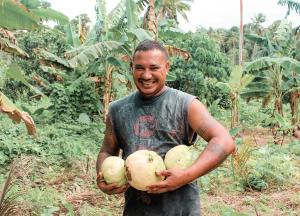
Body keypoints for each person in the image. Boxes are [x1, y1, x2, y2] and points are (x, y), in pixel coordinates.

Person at [96, 40, 235, 216]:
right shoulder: (118, 110)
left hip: (181, 210)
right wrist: (103, 176)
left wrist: (185, 177)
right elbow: (107, 151)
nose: (146, 75)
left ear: (167, 67)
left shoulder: (187, 105)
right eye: (139, 68)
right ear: (132, 68)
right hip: (137, 210)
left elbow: (224, 141)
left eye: (154, 68)